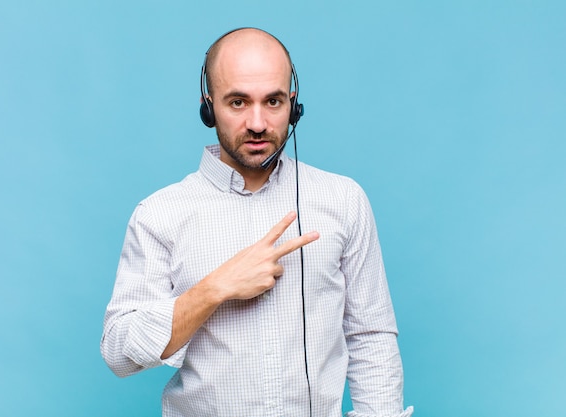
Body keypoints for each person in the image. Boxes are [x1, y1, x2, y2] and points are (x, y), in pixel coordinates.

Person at [101, 27, 413, 417]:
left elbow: (371, 338)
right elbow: (119, 352)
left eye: (273, 101)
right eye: (237, 102)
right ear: (208, 106)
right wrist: (215, 287)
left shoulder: (343, 200)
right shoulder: (160, 213)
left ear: (294, 105)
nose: (258, 122)